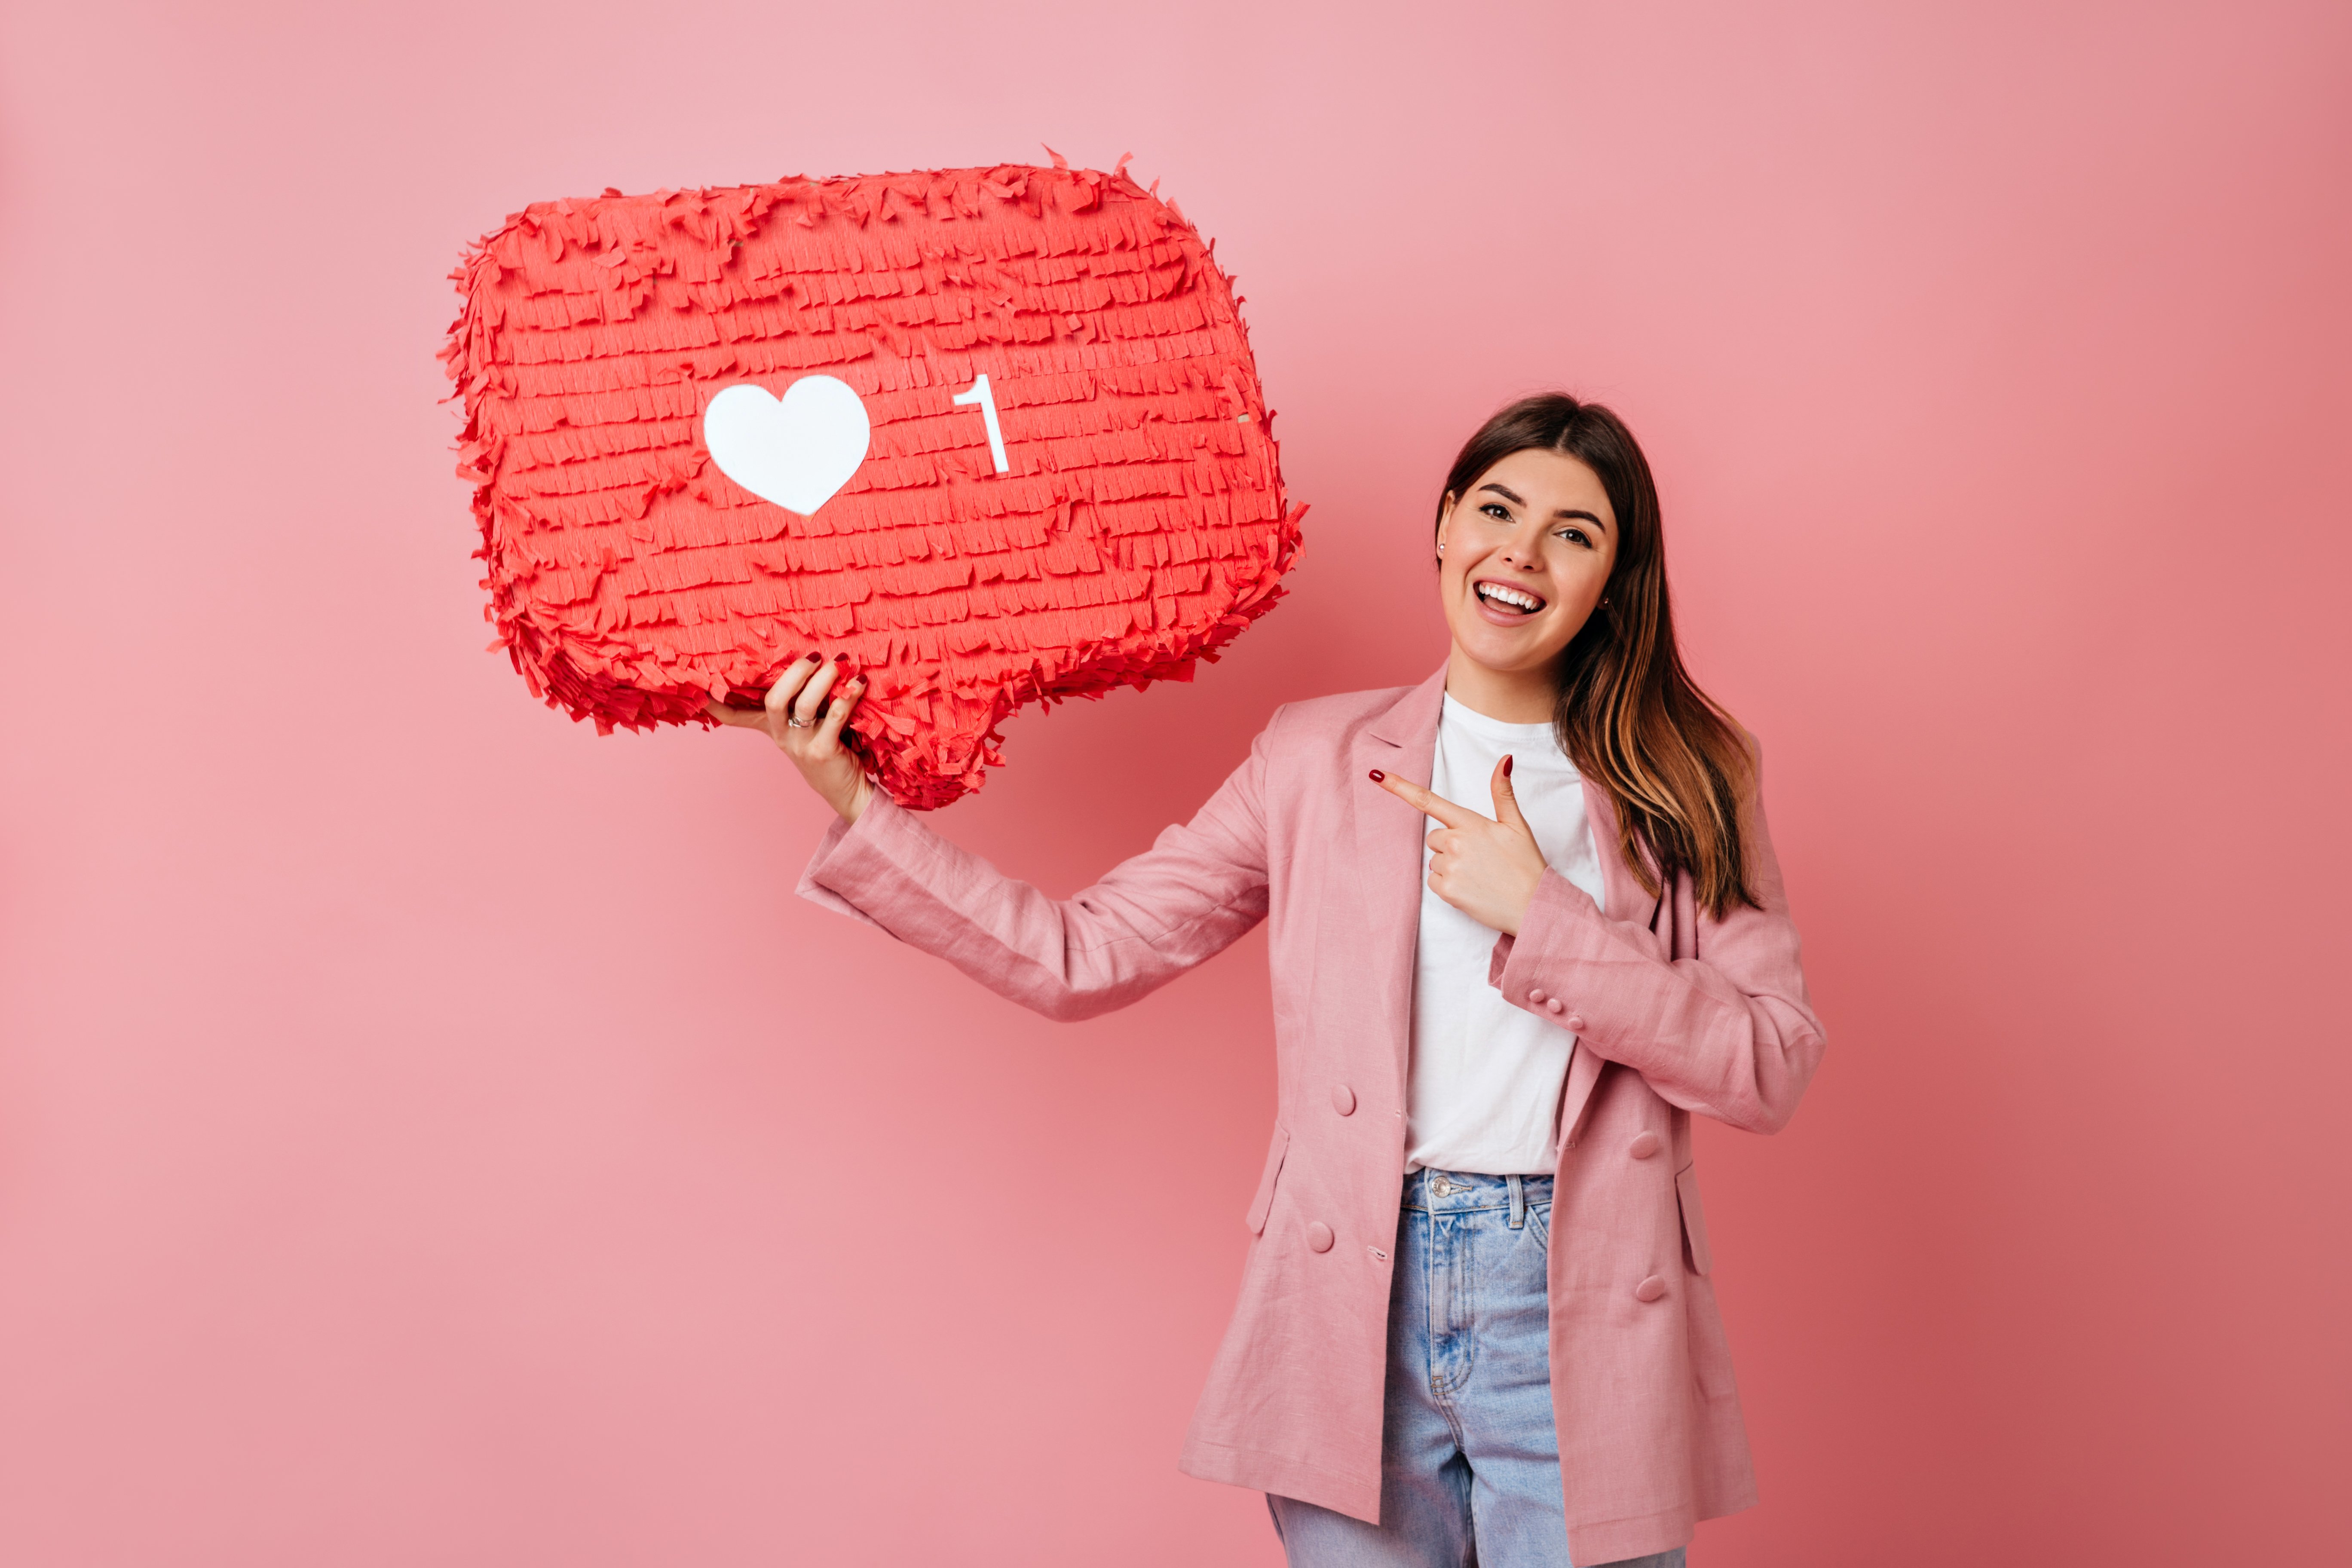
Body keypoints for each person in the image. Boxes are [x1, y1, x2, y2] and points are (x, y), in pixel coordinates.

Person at [710, 394, 1826, 1568]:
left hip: (1581, 1304)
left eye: (1575, 533)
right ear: (1445, 527)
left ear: (1615, 578)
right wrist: (853, 801)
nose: (1523, 553)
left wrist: (1540, 915)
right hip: (1354, 1300)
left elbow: (1773, 1064)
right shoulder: (1314, 760)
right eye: (1497, 508)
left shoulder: (1690, 778)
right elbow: (1082, 954)